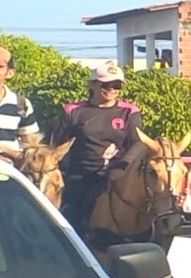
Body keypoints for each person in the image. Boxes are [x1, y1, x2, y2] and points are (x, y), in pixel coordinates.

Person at [53, 61, 144, 239]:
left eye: (116, 85)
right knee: (69, 217)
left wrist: (122, 167)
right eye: (105, 85)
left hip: (118, 177)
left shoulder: (129, 111)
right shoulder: (73, 111)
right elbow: (55, 144)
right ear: (92, 85)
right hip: (81, 177)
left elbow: (139, 142)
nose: (111, 89)